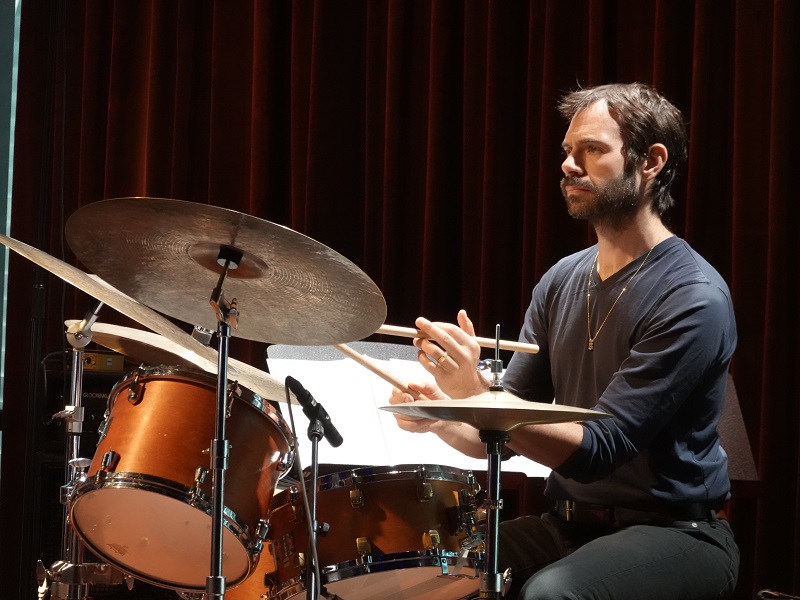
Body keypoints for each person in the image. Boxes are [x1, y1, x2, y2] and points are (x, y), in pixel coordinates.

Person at [389, 82, 739, 599]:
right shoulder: (561, 279)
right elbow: (503, 433)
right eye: (568, 151)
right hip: (568, 522)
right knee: (423, 575)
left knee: (553, 594)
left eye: (592, 149)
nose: (569, 165)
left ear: (651, 161)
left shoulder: (692, 296)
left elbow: (599, 449)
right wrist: (442, 414)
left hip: (676, 530)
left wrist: (477, 393)